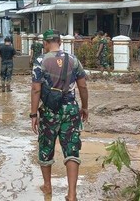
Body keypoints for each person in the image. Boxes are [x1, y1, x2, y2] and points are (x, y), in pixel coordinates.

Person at [30, 29, 88, 201]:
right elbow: (83, 86)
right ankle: (72, 194)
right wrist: (85, 107)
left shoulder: (41, 60)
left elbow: (36, 89)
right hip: (70, 109)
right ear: (60, 42)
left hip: (49, 111)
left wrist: (33, 115)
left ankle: (47, 186)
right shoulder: (73, 60)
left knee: (46, 147)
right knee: (71, 149)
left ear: (45, 44)